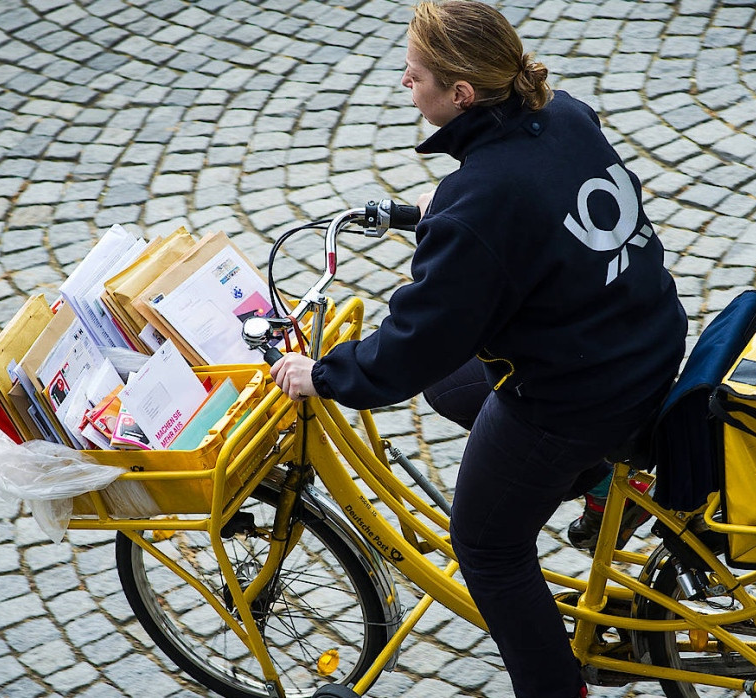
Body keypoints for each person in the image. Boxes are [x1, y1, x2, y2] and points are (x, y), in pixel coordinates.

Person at [271, 2, 687, 695]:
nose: (406, 83)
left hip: (579, 398)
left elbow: (411, 348)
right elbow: (541, 205)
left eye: (415, 77)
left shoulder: (481, 201)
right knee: (454, 384)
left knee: (489, 548)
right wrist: (453, 207)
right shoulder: (566, 116)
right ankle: (609, 479)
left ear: (460, 95)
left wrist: (325, 373)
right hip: (643, 340)